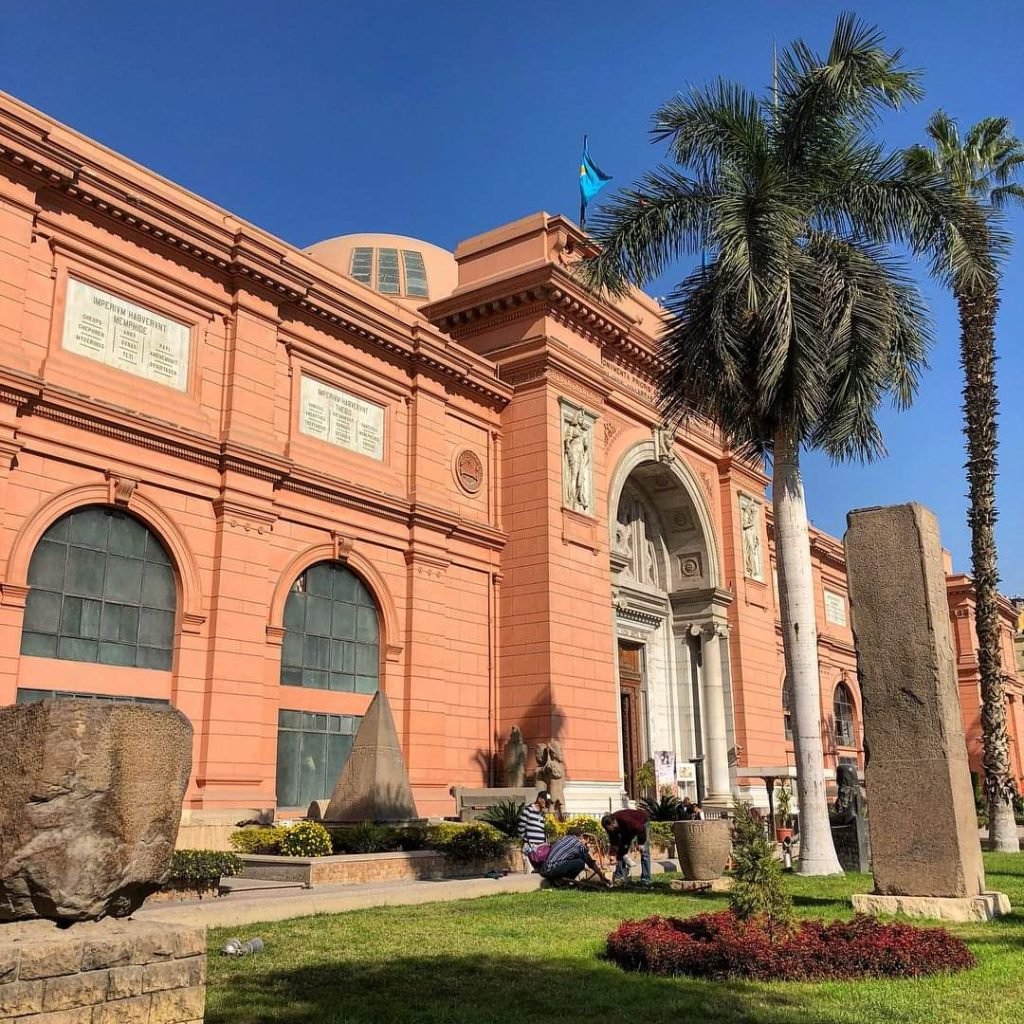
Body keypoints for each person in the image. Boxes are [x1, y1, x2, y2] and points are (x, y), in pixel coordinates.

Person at [528, 834, 609, 886]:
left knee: (576, 860)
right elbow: (590, 862)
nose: (587, 846)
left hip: (545, 868)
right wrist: (601, 875)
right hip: (553, 869)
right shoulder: (579, 845)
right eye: (587, 843)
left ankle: (558, 880)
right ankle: (561, 883)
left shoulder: (567, 838)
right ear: (585, 838)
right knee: (580, 863)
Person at [601, 808, 652, 885]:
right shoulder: (610, 827)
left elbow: (641, 829)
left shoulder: (627, 820)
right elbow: (613, 840)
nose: (609, 831)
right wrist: (612, 854)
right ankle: (620, 878)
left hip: (642, 823)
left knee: (644, 852)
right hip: (626, 829)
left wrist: (641, 843)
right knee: (621, 852)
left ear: (614, 823)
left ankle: (646, 879)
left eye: (609, 828)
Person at [516, 790, 551, 854]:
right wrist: (526, 841)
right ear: (539, 799)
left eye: (548, 802)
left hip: (542, 849)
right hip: (531, 848)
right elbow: (520, 829)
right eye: (546, 802)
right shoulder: (528, 810)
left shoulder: (543, 814)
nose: (547, 804)